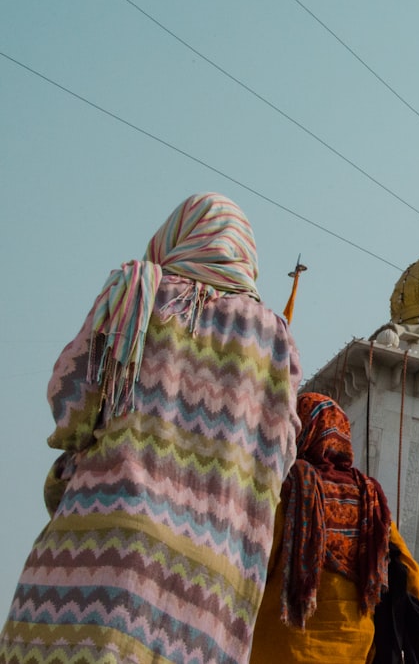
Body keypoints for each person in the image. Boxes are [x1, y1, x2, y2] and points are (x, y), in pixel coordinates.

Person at [0, 193, 302, 664]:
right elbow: (280, 459)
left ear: (176, 236)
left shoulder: (139, 291)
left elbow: (70, 401)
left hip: (105, 552)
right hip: (210, 590)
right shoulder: (277, 342)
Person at [250, 392, 419, 663]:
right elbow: (415, 582)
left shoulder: (288, 492)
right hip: (352, 652)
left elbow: (255, 567)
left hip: (281, 649)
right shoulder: (371, 504)